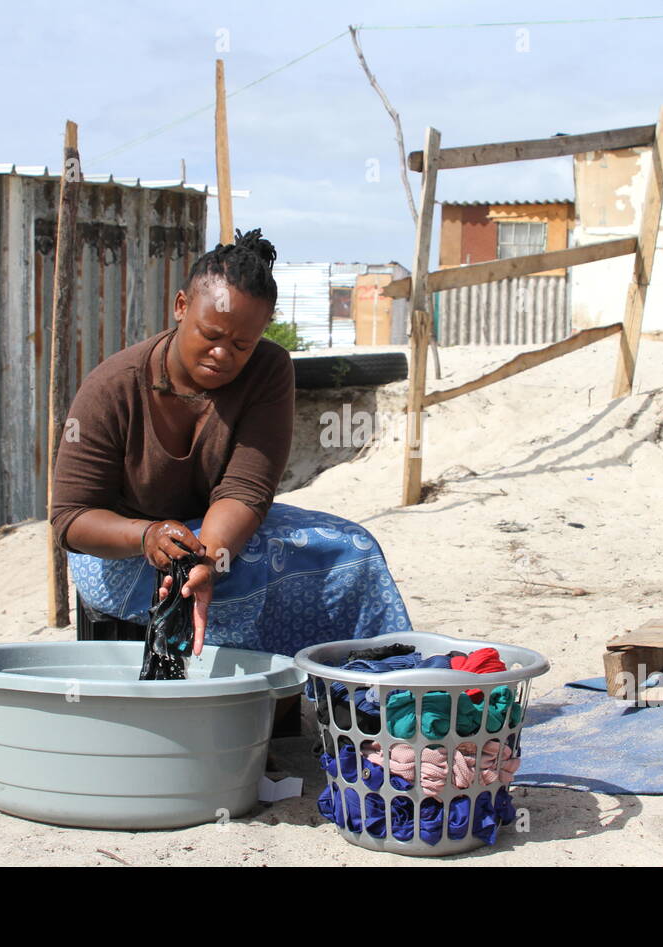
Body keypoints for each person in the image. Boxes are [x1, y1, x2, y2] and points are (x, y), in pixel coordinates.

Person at [50, 227, 411, 658]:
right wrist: (148, 535)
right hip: (121, 547)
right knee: (243, 576)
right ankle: (249, 704)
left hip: (210, 533)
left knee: (354, 552)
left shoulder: (268, 370)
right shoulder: (112, 388)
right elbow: (71, 519)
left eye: (242, 344)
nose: (223, 355)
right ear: (181, 307)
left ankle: (368, 691)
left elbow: (245, 490)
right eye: (211, 335)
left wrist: (208, 560)